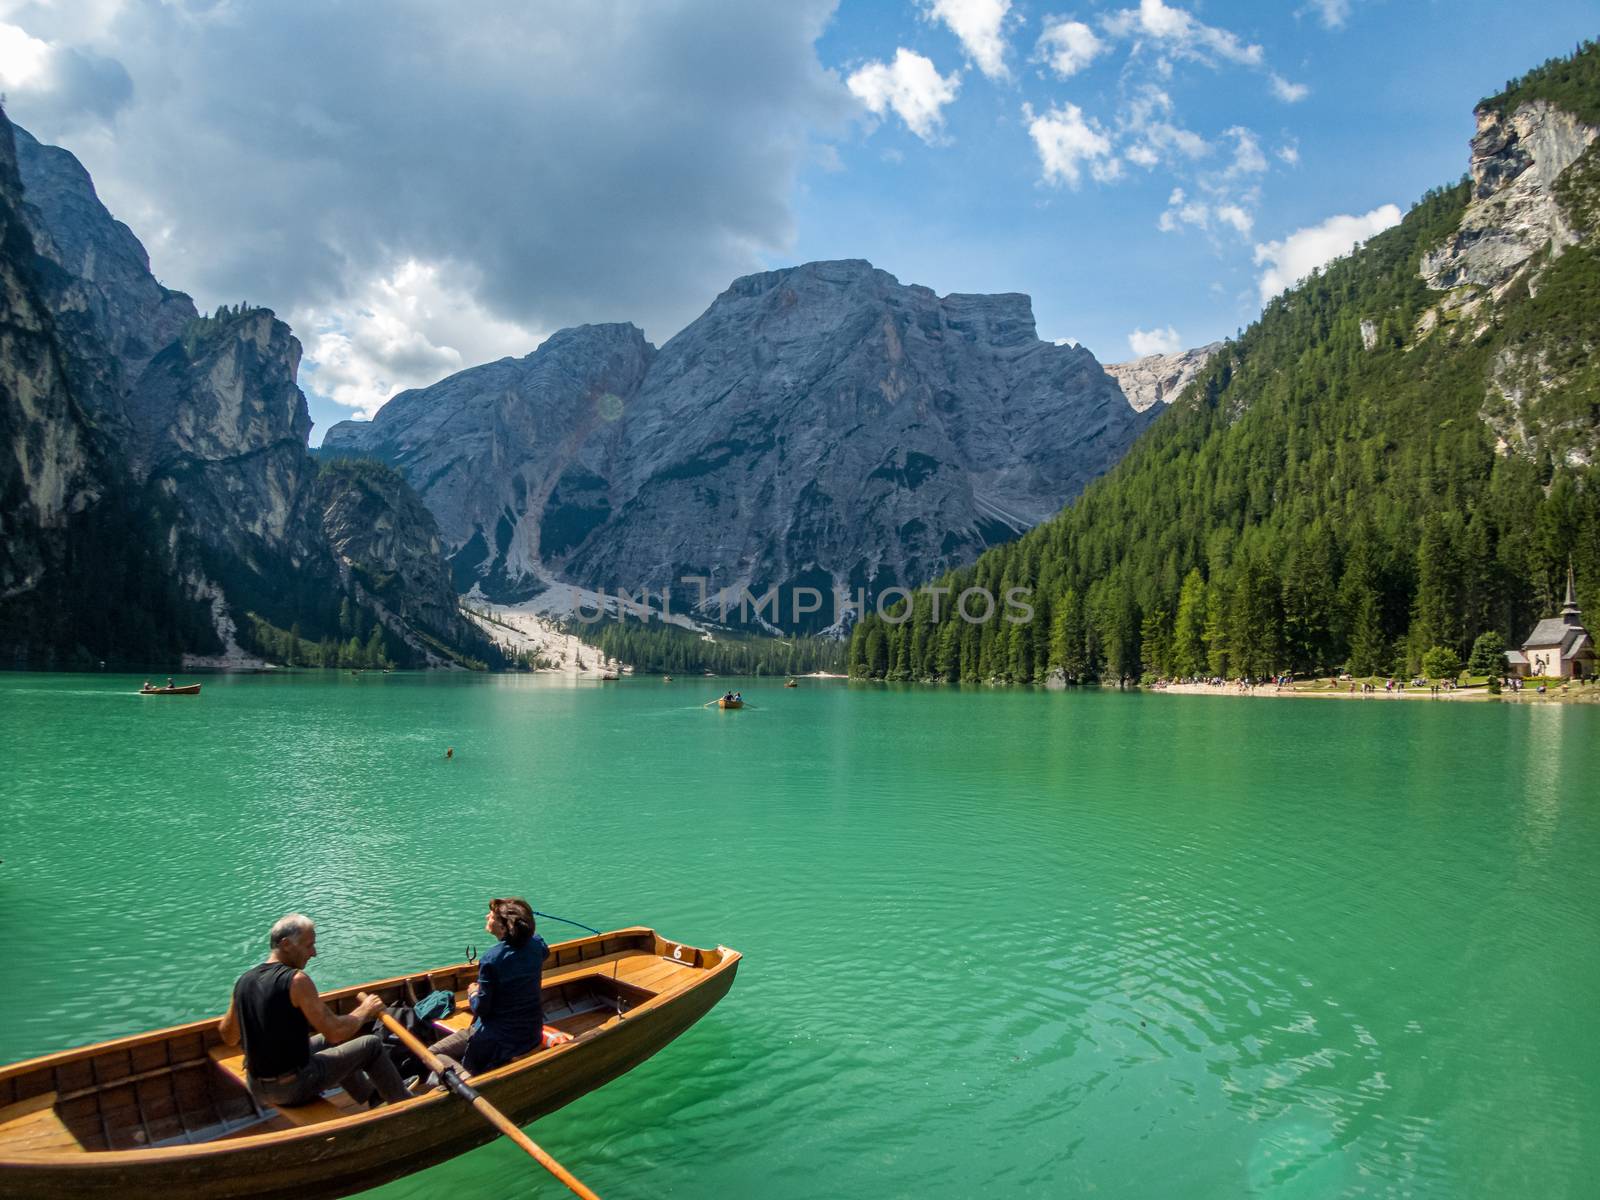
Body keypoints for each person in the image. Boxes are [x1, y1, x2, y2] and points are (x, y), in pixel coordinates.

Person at [219, 913, 410, 1109]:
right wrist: (365, 1010)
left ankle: (372, 1095)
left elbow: (229, 1037)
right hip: (291, 1087)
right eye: (309, 945)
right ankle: (405, 1104)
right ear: (286, 944)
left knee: (328, 1041)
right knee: (371, 1045)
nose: (314, 953)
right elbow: (335, 1031)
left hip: (257, 1086)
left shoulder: (244, 980)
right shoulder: (297, 981)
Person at [428, 897, 549, 1079]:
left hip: (498, 1039)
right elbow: (542, 950)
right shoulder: (537, 944)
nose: (487, 917)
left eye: (491, 916)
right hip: (530, 1033)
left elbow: (482, 1008)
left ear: (503, 927)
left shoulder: (492, 959)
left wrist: (473, 993)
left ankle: (466, 1080)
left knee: (431, 1053)